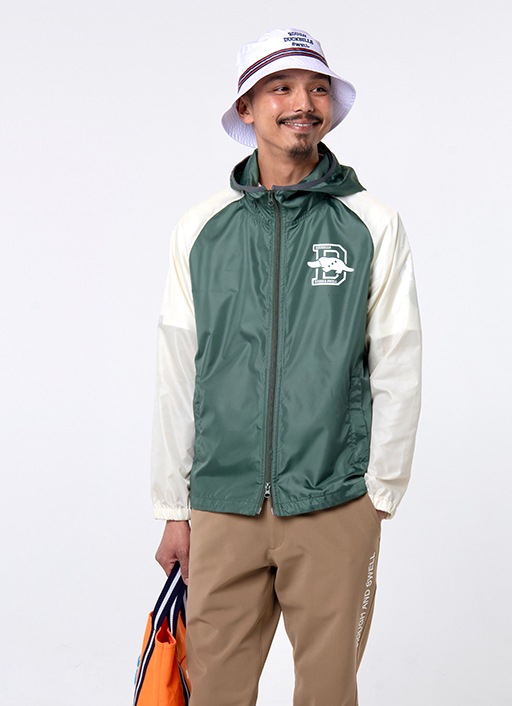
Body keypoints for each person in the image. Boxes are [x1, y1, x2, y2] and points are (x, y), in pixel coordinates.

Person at [151, 27, 422, 706]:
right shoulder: (201, 229)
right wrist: (173, 508)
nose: (303, 103)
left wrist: (378, 492)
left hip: (334, 500)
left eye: (318, 88)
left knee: (327, 692)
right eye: (281, 88)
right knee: (214, 691)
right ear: (246, 108)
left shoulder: (371, 223)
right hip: (222, 503)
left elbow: (398, 359)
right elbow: (177, 372)